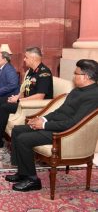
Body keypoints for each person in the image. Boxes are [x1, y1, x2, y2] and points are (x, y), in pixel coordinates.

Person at [7, 59, 98, 192]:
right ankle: (23, 172)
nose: (73, 76)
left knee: (23, 139)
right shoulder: (78, 90)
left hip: (66, 134)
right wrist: (41, 118)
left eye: (76, 73)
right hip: (56, 126)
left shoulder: (93, 95)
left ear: (86, 77)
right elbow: (60, 111)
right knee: (17, 130)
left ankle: (32, 180)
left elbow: (74, 124)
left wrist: (43, 125)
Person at [0, 47, 53, 149]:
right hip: (24, 100)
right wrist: (17, 96)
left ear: (33, 58)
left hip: (33, 105)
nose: (24, 59)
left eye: (26, 57)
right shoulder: (31, 71)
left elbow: (40, 97)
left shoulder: (44, 73)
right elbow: (25, 89)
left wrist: (18, 100)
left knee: (4, 107)